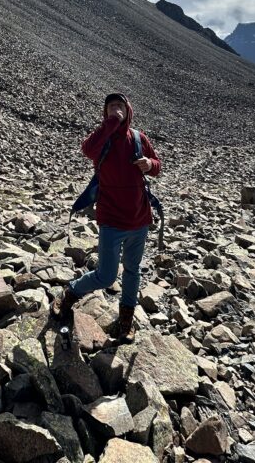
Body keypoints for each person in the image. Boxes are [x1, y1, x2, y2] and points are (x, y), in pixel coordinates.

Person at [56, 92, 162, 342]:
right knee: (106, 275)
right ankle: (70, 292)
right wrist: (111, 124)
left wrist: (150, 164)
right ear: (105, 112)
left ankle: (126, 319)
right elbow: (87, 150)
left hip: (139, 219)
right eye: (111, 106)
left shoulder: (138, 138)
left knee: (133, 271)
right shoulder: (101, 138)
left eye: (120, 106)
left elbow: (157, 165)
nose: (116, 109)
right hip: (112, 220)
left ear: (129, 110)